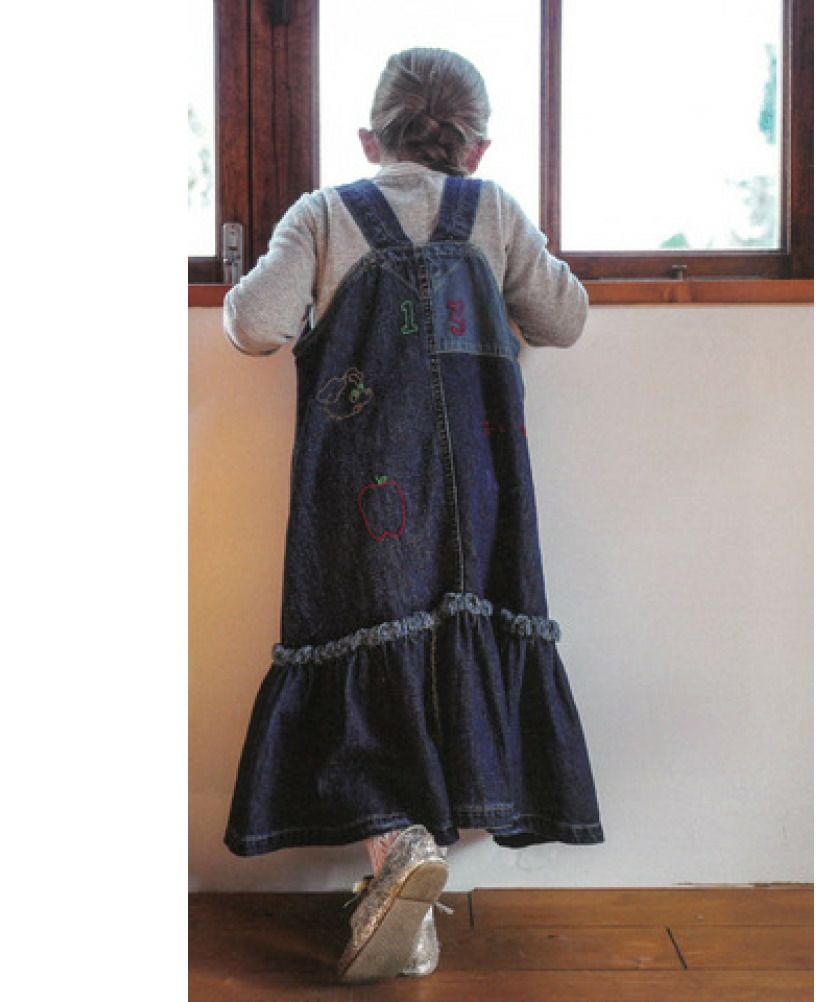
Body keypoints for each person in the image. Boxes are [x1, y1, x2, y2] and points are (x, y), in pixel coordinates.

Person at [221, 47, 604, 983]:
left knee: (365, 644)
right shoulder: (494, 210)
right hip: (480, 491)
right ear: (476, 148)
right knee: (460, 644)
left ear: (369, 140)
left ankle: (398, 850)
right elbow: (564, 318)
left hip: (363, 490)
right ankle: (413, 875)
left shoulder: (324, 214)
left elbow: (255, 325)